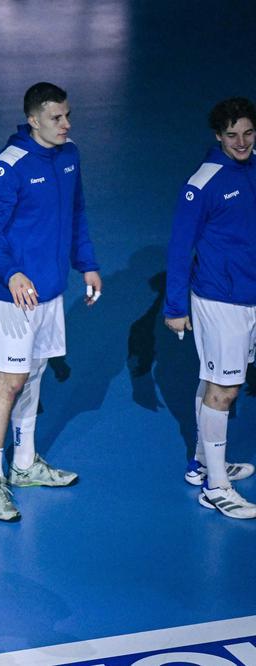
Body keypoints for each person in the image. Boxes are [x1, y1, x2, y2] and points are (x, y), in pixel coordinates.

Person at [0, 82, 101, 521]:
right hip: (14, 294)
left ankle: (24, 463)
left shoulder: (69, 156)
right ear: (33, 120)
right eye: (56, 118)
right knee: (10, 381)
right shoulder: (8, 166)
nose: (66, 124)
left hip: (51, 290)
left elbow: (77, 213)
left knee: (34, 375)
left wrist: (86, 263)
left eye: (67, 116)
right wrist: (12, 272)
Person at [165, 97, 256, 519]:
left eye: (249, 133)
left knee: (214, 379)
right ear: (218, 136)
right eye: (232, 135)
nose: (242, 142)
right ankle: (215, 487)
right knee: (224, 390)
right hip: (220, 300)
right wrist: (174, 306)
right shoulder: (202, 183)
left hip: (250, 297)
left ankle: (203, 462)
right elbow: (179, 248)